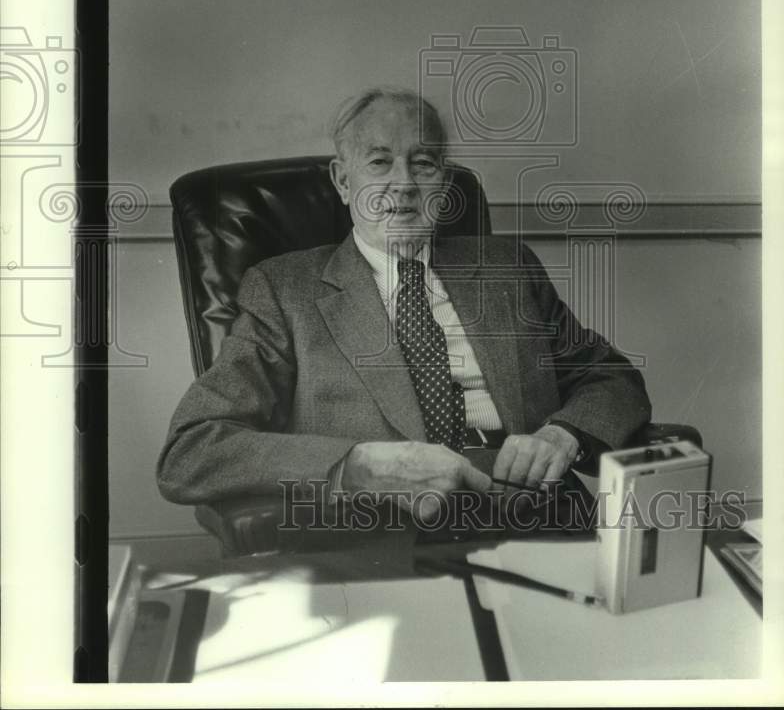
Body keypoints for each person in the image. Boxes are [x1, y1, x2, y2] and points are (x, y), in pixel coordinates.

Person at [157, 88, 651, 511]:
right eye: (379, 162)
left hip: (531, 509)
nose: (405, 184)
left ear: (445, 181)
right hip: (376, 526)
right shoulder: (284, 290)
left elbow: (611, 378)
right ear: (343, 182)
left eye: (424, 163)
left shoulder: (508, 269)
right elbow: (192, 450)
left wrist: (562, 435)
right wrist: (360, 465)